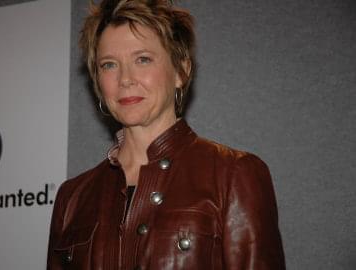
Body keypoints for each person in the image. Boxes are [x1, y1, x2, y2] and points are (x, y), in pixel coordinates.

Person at [47, 0, 286, 269]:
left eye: (143, 59)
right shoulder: (72, 198)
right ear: (97, 82)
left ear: (181, 71)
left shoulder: (233, 175)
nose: (125, 79)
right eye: (109, 65)